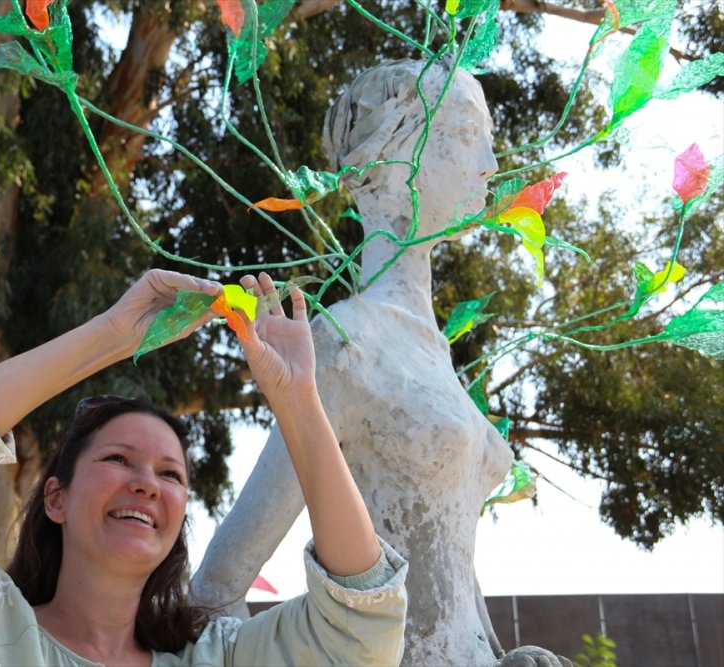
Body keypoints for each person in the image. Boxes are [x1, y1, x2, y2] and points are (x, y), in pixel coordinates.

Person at [190, 59, 553, 667]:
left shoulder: (434, 353)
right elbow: (216, 590)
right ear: (391, 159)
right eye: (466, 136)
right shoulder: (346, 344)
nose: (491, 165)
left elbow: (444, 566)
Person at [0, 269, 408, 666]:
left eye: (171, 475)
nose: (147, 485)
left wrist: (298, 400)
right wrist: (112, 336)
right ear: (55, 498)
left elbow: (361, 624)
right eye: (117, 459)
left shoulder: (216, 659)